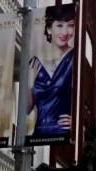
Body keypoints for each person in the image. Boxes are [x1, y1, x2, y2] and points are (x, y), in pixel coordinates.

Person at [27, 4, 75, 137]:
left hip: (63, 133)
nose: (65, 32)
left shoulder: (75, 59)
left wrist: (79, 122)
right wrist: (29, 84)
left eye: (70, 25)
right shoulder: (35, 63)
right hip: (38, 134)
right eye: (59, 25)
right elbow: (26, 109)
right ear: (49, 29)